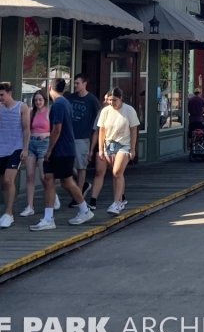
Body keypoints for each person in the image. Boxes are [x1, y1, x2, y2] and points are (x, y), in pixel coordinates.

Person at [30, 78, 94, 230]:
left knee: (67, 182)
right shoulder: (65, 103)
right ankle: (48, 218)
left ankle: (85, 210)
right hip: (62, 149)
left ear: (50, 88)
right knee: (48, 179)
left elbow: (57, 129)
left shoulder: (59, 104)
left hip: (62, 150)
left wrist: (49, 150)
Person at [94, 87, 141, 216]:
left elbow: (133, 130)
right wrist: (101, 149)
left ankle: (116, 203)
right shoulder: (105, 111)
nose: (111, 102)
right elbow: (102, 130)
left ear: (121, 99)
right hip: (109, 144)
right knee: (117, 174)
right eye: (109, 100)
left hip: (124, 144)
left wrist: (133, 148)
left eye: (114, 100)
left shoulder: (129, 110)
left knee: (117, 172)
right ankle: (121, 199)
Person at [0, 83, 29, 229]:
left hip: (16, 147)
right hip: (1, 148)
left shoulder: (21, 107)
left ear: (9, 93)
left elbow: (26, 129)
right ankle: (7, 213)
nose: (0, 98)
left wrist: (25, 149)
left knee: (8, 179)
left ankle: (8, 213)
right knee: (3, 183)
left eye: (2, 95)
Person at [66, 73, 101, 201]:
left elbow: (100, 116)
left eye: (78, 83)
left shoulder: (92, 100)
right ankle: (82, 186)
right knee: (67, 165)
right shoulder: (70, 98)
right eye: (74, 83)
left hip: (82, 137)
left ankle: (79, 195)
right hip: (68, 137)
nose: (75, 85)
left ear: (85, 83)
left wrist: (95, 131)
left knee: (81, 166)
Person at [20, 90, 51, 217]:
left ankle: (52, 196)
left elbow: (56, 130)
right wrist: (25, 147)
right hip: (31, 143)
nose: (38, 102)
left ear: (45, 100)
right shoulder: (31, 112)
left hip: (44, 143)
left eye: (40, 100)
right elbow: (26, 129)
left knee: (44, 177)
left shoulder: (49, 112)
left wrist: (47, 134)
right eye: (36, 100)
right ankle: (30, 206)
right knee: (30, 176)